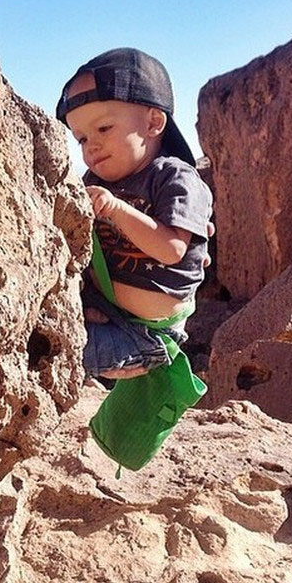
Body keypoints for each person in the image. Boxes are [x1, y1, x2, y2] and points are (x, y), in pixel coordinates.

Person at [56, 48, 213, 381]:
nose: (90, 147)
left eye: (104, 128)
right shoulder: (94, 181)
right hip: (106, 309)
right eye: (81, 138)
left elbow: (172, 250)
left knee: (55, 351)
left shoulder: (174, 177)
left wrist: (115, 208)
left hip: (145, 335)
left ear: (154, 122)